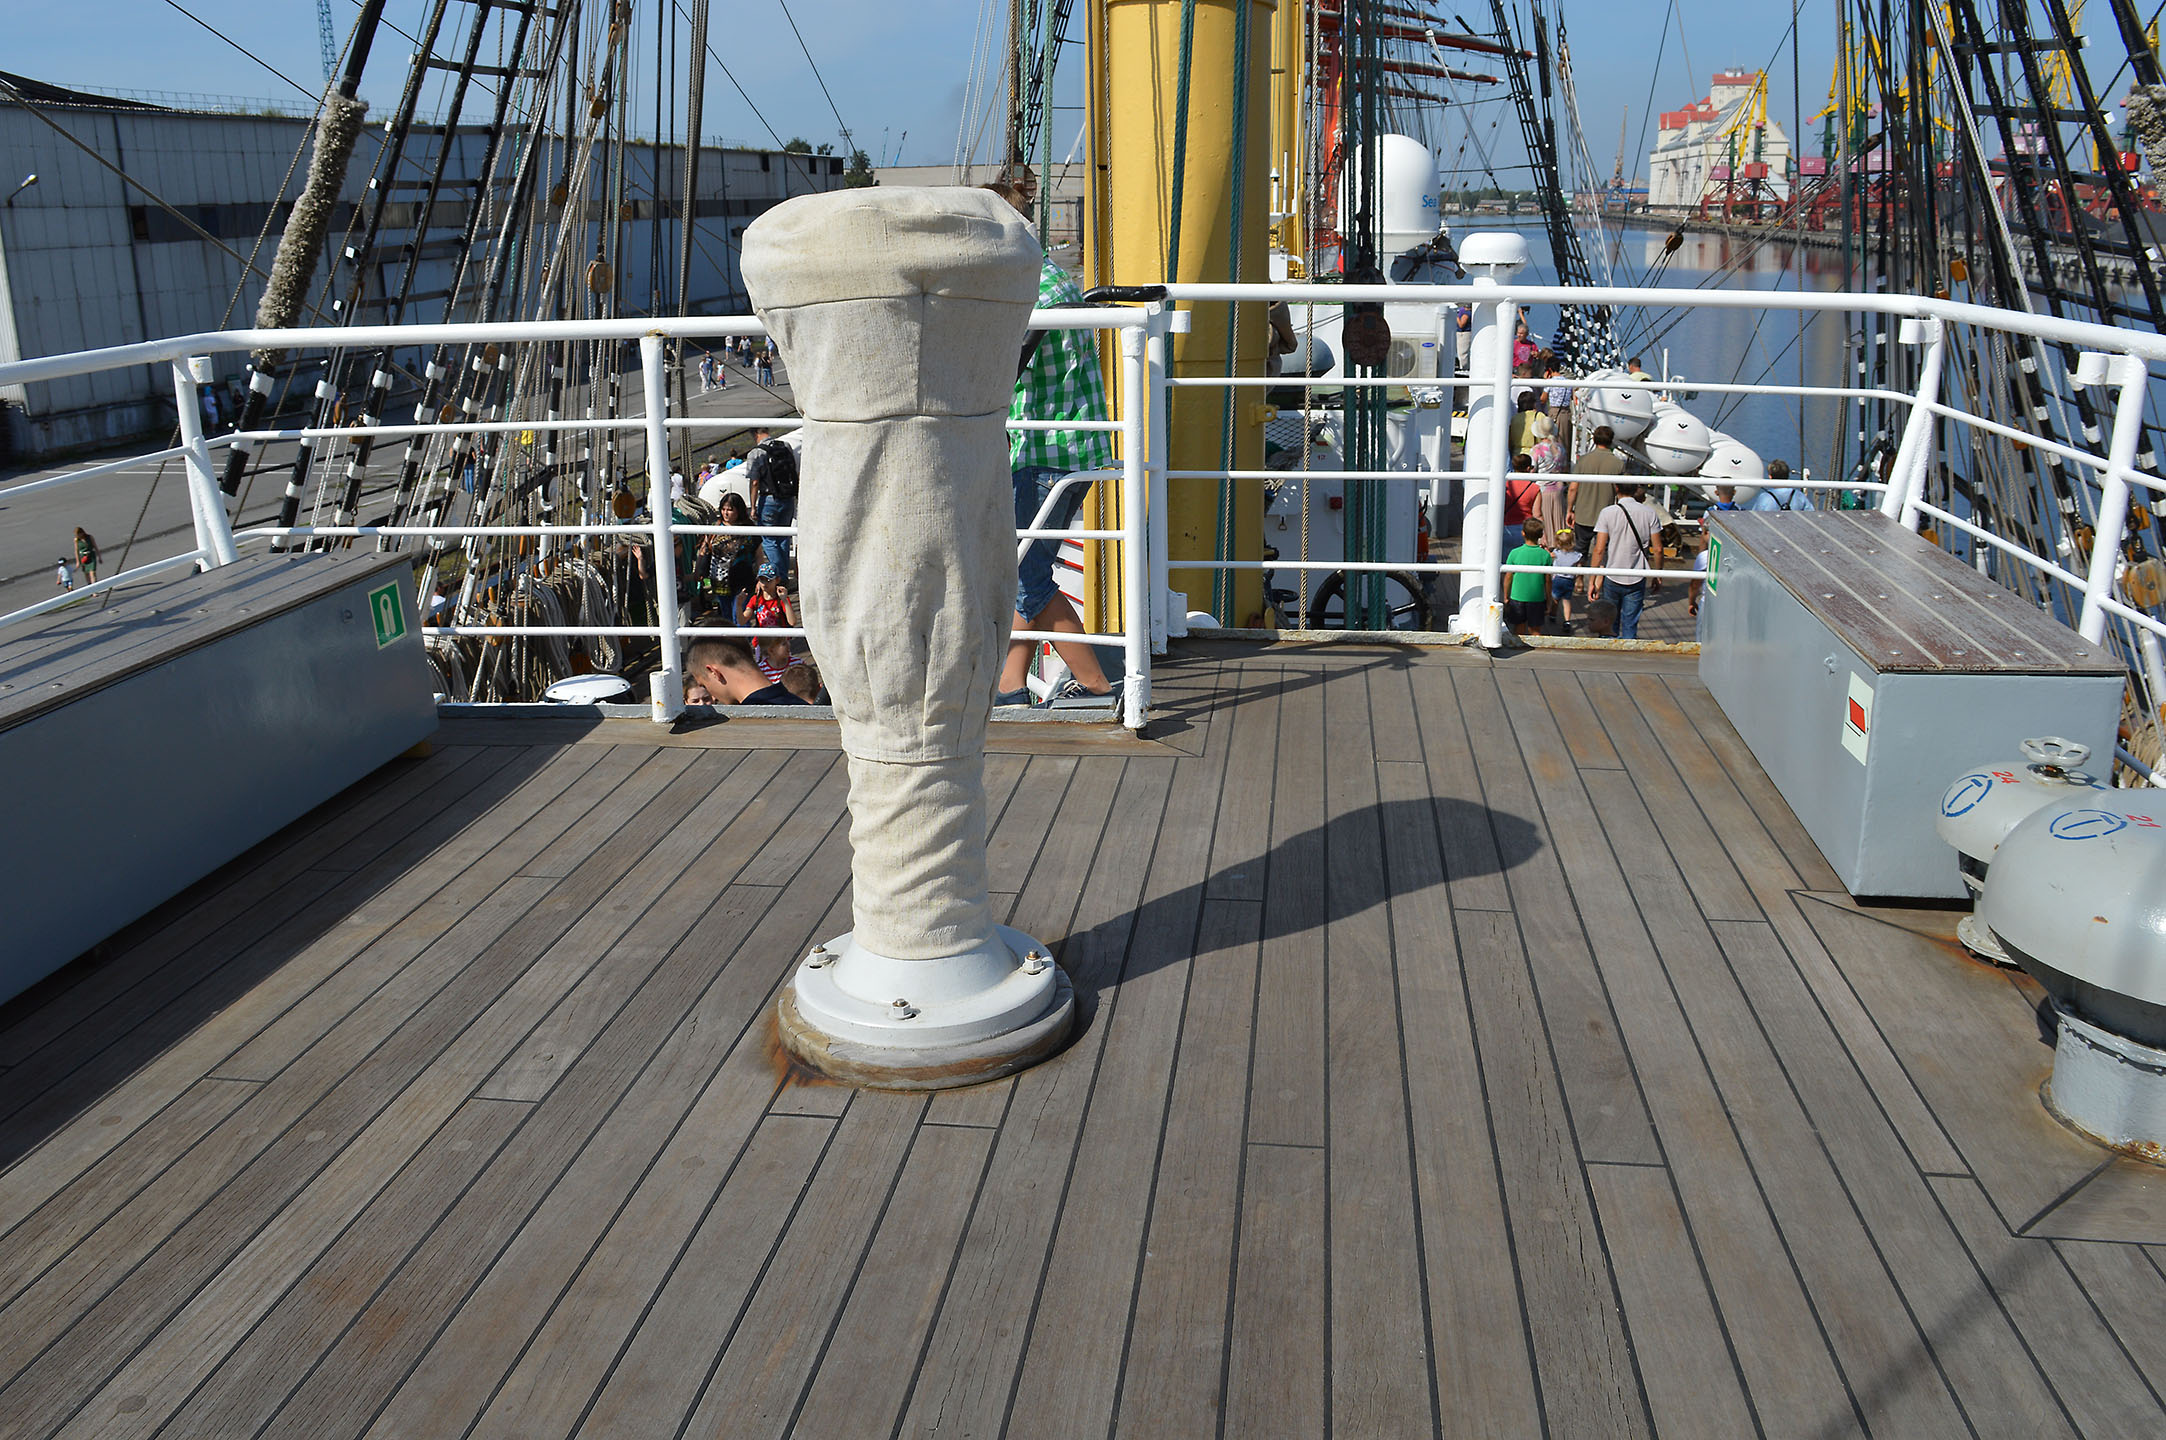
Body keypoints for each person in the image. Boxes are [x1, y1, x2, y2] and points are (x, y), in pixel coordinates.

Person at [988, 178, 1120, 709]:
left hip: (1045, 453)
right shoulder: (1051, 277)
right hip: (1070, 447)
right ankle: (1009, 688)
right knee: (1027, 569)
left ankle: (1097, 688)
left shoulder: (1028, 290)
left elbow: (1001, 368)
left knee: (1024, 575)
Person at [1585, 479, 1664, 640]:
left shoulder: (1607, 512)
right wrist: (1657, 574)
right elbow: (1658, 549)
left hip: (1612, 573)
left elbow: (1599, 550)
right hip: (1637, 574)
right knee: (1630, 623)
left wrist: (1592, 580)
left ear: (1616, 488)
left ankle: (1608, 650)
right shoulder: (1649, 513)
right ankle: (1629, 651)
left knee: (1609, 623)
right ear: (1636, 489)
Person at [739, 427, 799, 581]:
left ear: (755, 435)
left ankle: (777, 577)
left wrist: (753, 507)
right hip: (787, 498)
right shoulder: (785, 446)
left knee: (769, 540)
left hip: (768, 499)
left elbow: (754, 482)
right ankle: (783, 576)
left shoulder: (756, 453)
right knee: (783, 538)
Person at [682, 637, 805, 706]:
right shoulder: (800, 705)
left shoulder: (748, 724)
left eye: (704, 685)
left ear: (714, 672)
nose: (712, 695)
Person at [1567, 424, 1626, 551]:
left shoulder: (1583, 460)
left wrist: (1569, 509)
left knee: (1580, 552)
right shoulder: (1618, 464)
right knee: (1603, 552)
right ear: (1611, 440)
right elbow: (1622, 492)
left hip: (1583, 514)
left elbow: (1573, 488)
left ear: (1594, 439)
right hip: (1607, 515)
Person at [1502, 518, 1553, 637]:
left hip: (1517, 597)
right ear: (1541, 535)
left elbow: (1508, 577)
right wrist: (1549, 600)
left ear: (1523, 533)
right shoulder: (1545, 555)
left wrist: (1506, 596)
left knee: (1519, 630)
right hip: (1537, 599)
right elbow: (1548, 581)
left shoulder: (1514, 553)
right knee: (1535, 631)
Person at [1549, 533, 1584, 632]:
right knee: (1566, 601)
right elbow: (1580, 566)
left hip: (1557, 579)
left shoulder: (1556, 553)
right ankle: (1567, 621)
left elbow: (1549, 556)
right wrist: (1578, 578)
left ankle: (1553, 614)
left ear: (1558, 543)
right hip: (1569, 580)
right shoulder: (1576, 555)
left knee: (1555, 599)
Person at [1509, 389, 1551, 456]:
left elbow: (1510, 440)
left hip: (1517, 455)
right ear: (1533, 403)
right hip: (1535, 454)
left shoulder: (1514, 418)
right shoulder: (1540, 416)